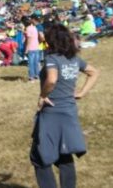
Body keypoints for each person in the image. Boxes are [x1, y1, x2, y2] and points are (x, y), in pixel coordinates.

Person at [30, 24, 99, 188]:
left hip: (52, 113)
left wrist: (43, 96)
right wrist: (81, 93)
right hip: (69, 111)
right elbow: (94, 72)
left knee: (39, 156)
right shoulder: (74, 59)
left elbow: (52, 79)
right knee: (64, 154)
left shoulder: (52, 58)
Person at [24, 16, 41, 82]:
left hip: (31, 47)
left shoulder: (28, 29)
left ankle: (31, 77)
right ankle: (37, 76)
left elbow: (28, 39)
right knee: (36, 62)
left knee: (31, 63)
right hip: (36, 46)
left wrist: (26, 48)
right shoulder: (35, 28)